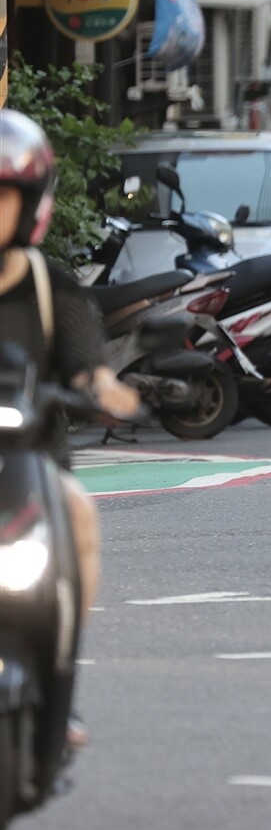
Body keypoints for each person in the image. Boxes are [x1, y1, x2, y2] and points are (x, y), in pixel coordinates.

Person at [0, 111, 140, 748]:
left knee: (81, 516)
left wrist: (104, 391)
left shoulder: (53, 290)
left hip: (33, 471)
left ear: (30, 207)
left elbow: (89, 368)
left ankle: (61, 681)